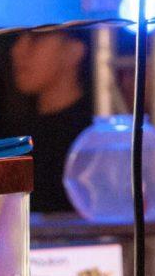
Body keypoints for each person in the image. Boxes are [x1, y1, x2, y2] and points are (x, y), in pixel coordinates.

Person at [9, 30, 92, 213]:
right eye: (18, 38)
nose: (18, 49)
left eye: (36, 37)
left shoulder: (94, 138)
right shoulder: (13, 136)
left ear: (74, 51)